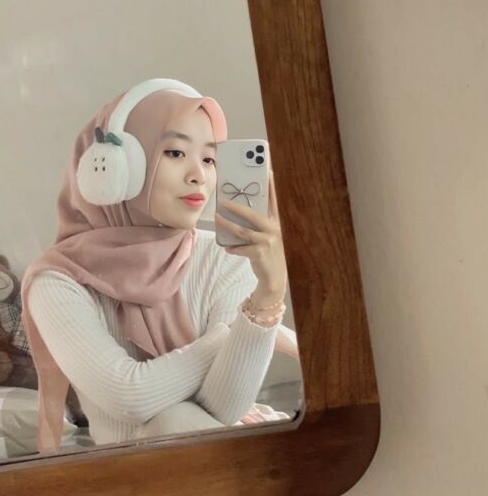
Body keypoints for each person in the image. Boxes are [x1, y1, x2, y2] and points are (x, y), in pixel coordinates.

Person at [20, 78, 298, 453]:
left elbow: (226, 409)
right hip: (148, 472)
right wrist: (230, 336)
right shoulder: (56, 282)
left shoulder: (225, 255)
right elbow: (131, 398)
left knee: (177, 421)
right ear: (119, 168)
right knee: (172, 421)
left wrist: (269, 295)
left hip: (230, 447)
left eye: (209, 159)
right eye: (175, 153)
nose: (199, 175)